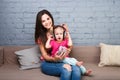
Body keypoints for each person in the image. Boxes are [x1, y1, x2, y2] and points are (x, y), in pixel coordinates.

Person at [35, 9, 82, 80]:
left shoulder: (58, 29)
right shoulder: (41, 37)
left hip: (63, 59)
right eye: (43, 21)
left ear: (51, 18)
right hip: (48, 62)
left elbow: (69, 44)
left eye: (48, 19)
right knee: (66, 71)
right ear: (40, 23)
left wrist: (68, 50)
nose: (47, 22)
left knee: (77, 71)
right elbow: (44, 55)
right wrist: (54, 59)